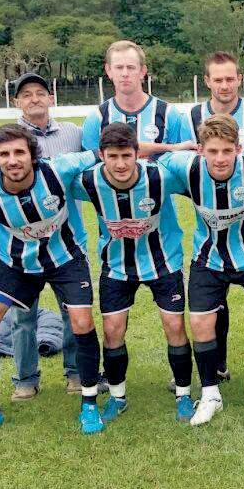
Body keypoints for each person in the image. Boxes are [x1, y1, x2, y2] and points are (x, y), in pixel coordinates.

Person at [0, 126, 104, 438]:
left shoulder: (58, 169)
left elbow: (102, 153)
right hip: (15, 264)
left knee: (81, 321)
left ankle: (89, 402)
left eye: (19, 152)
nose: (12, 160)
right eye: (4, 154)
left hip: (65, 259)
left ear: (32, 155)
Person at [160, 113, 244, 424]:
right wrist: (173, 148)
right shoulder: (186, 166)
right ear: (200, 150)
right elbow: (160, 159)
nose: (220, 158)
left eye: (227, 151)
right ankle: (210, 395)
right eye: (213, 151)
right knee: (200, 323)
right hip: (209, 259)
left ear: (238, 149)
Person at [73, 123, 195, 423]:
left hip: (163, 262)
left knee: (174, 326)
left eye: (126, 155)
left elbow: (198, 175)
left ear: (137, 154)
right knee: (112, 330)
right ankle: (117, 397)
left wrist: (181, 150)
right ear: (101, 155)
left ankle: (183, 394)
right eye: (112, 156)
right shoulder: (87, 181)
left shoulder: (161, 177)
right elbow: (50, 181)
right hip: (116, 266)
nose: (120, 164)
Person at [179, 51, 244, 385]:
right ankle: (216, 366)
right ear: (207, 81)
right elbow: (183, 167)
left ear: (240, 79)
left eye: (230, 78)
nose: (225, 85)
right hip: (211, 230)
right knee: (212, 305)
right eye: (218, 79)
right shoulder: (191, 116)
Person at [4, 71, 84, 398]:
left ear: (51, 97)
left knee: (73, 311)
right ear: (16, 102)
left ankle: (76, 374)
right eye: (26, 94)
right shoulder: (10, 139)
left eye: (40, 92)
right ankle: (25, 380)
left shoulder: (73, 133)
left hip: (67, 241)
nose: (34, 98)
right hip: (24, 245)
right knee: (23, 316)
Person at [82, 40, 191, 157]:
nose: (125, 73)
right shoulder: (97, 118)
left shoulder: (169, 114)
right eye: (119, 67)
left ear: (142, 71)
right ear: (109, 71)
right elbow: (90, 163)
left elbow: (181, 160)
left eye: (130, 67)